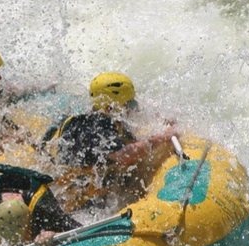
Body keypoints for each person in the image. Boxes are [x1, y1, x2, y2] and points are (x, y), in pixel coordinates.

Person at [42, 72, 175, 210]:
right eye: (127, 104)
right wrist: (163, 137)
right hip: (80, 205)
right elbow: (125, 155)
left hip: (83, 192)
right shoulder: (95, 125)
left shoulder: (92, 120)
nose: (131, 109)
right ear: (110, 107)